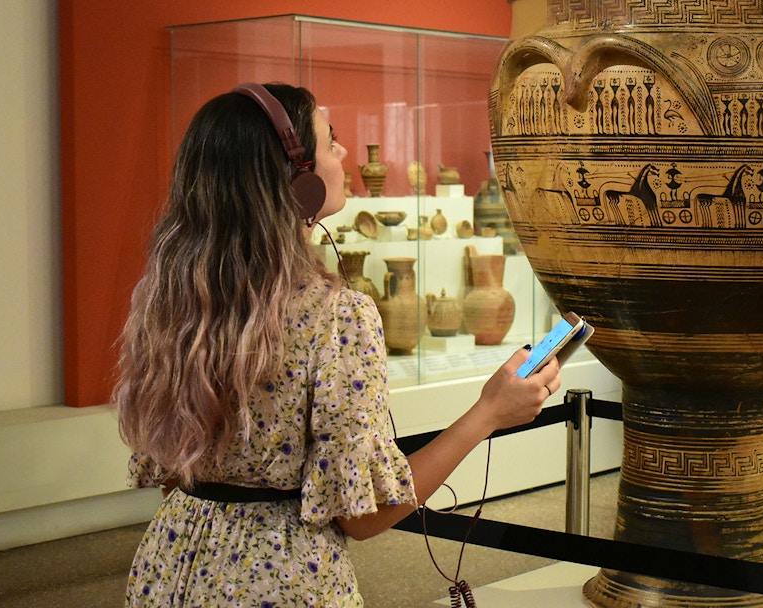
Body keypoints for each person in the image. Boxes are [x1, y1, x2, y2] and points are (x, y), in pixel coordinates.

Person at [113, 83, 561, 607]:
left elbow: (173, 473)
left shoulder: (167, 295)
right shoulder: (338, 317)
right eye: (332, 141)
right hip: (278, 581)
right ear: (298, 179)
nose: (345, 154)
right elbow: (364, 517)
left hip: (169, 565)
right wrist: (488, 413)